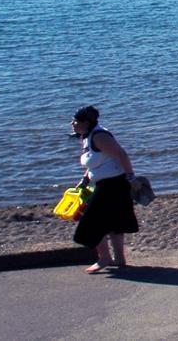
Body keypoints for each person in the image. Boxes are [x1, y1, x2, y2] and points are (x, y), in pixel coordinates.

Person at [69, 106, 139, 273]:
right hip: (104, 184)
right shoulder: (86, 136)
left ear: (86, 122)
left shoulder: (99, 136)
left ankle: (104, 258)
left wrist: (132, 178)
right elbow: (96, 161)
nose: (72, 123)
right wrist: (85, 179)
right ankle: (119, 259)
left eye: (76, 121)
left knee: (91, 222)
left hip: (114, 184)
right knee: (114, 222)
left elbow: (122, 155)